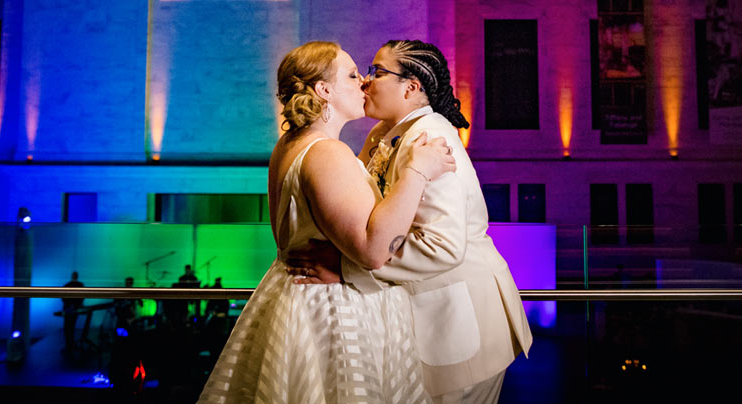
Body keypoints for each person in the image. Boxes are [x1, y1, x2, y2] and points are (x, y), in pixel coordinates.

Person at [197, 40, 456, 403]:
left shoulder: (288, 145)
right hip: (334, 314)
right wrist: (417, 170)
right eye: (352, 75)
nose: (364, 82)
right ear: (324, 90)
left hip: (296, 299)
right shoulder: (326, 152)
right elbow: (373, 250)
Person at [288, 40, 533, 403]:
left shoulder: (431, 137)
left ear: (411, 87)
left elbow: (442, 245)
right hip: (426, 319)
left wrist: (347, 268)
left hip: (458, 319)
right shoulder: (381, 134)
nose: (366, 82)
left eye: (377, 72)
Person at [62, 271, 84, 353]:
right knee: (70, 327)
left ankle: (69, 344)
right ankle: (69, 344)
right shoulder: (79, 285)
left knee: (69, 327)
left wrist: (70, 305)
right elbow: (81, 297)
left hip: (70, 309)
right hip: (72, 309)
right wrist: (74, 305)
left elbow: (63, 297)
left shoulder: (67, 285)